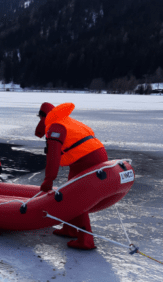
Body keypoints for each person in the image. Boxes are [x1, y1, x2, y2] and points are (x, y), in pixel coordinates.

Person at [35, 102, 108, 250]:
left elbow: (53, 158)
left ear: (44, 117)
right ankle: (70, 229)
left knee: (76, 198)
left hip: (88, 159)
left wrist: (48, 181)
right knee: (70, 193)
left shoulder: (55, 127)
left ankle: (86, 239)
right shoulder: (66, 121)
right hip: (91, 156)